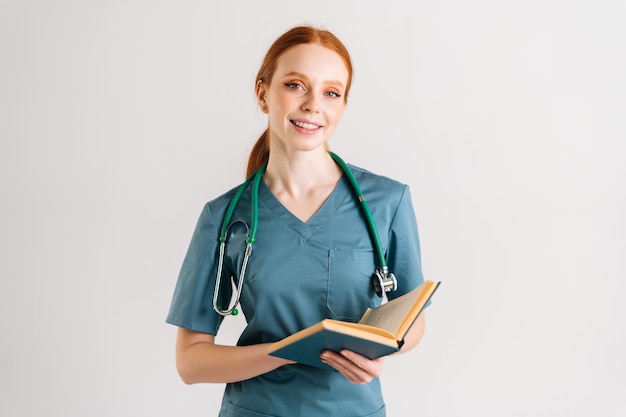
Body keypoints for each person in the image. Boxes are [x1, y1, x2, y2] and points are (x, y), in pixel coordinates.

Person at [166, 25, 428, 417]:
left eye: (331, 93)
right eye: (295, 85)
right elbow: (190, 361)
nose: (313, 105)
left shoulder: (387, 202)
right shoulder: (224, 217)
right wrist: (284, 352)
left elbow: (413, 320)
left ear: (342, 105)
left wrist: (384, 349)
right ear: (262, 93)